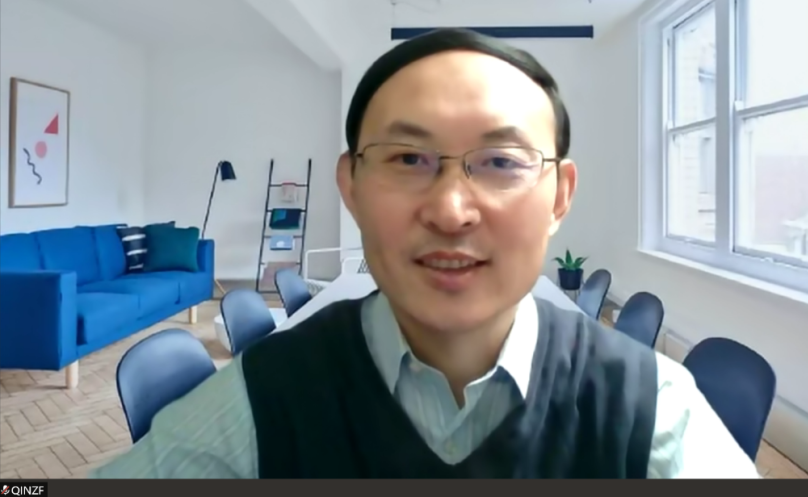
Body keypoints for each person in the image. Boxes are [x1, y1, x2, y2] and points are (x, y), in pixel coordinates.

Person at [90, 28, 760, 479]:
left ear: (559, 196)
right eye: (409, 158)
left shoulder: (653, 407)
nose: (450, 209)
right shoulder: (262, 397)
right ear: (351, 187)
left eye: (501, 161)